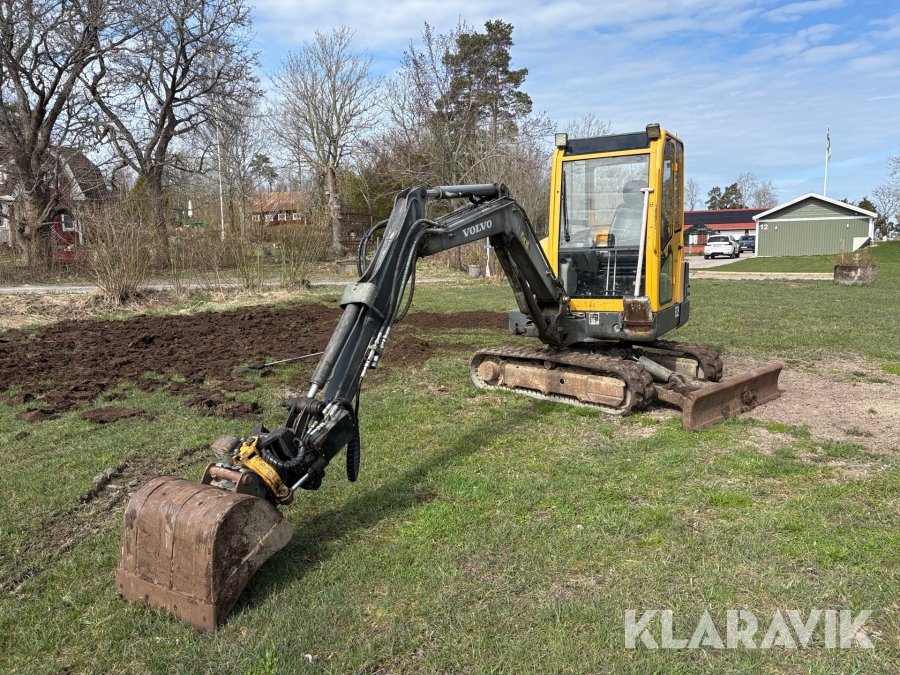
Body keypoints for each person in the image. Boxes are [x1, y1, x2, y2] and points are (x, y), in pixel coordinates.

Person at [607, 180, 644, 247]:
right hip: (619, 249)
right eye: (625, 192)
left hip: (642, 249)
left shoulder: (647, 209)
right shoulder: (620, 209)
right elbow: (612, 234)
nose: (625, 195)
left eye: (628, 192)